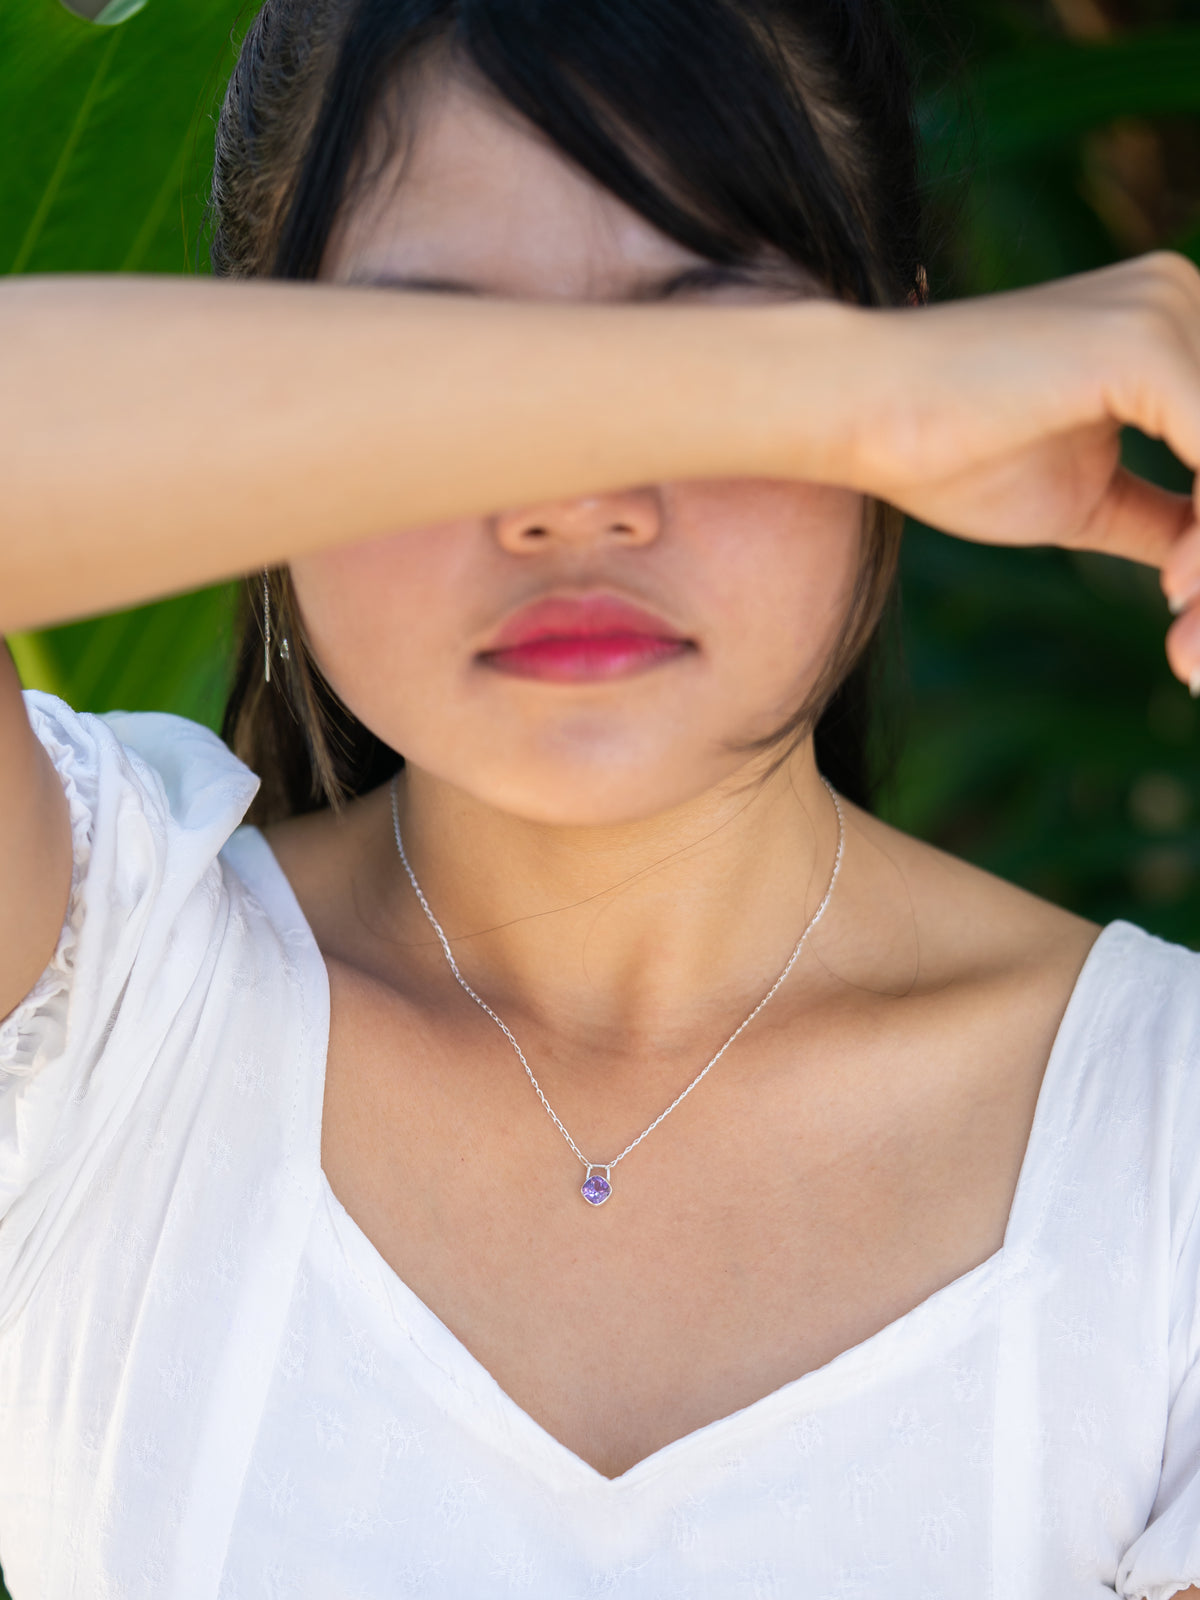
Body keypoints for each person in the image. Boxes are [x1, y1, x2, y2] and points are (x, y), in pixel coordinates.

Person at [2, 0, 1200, 1593]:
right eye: (440, 362)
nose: (578, 504)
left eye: (723, 336)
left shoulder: (1164, 1138)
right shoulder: (99, 1017)